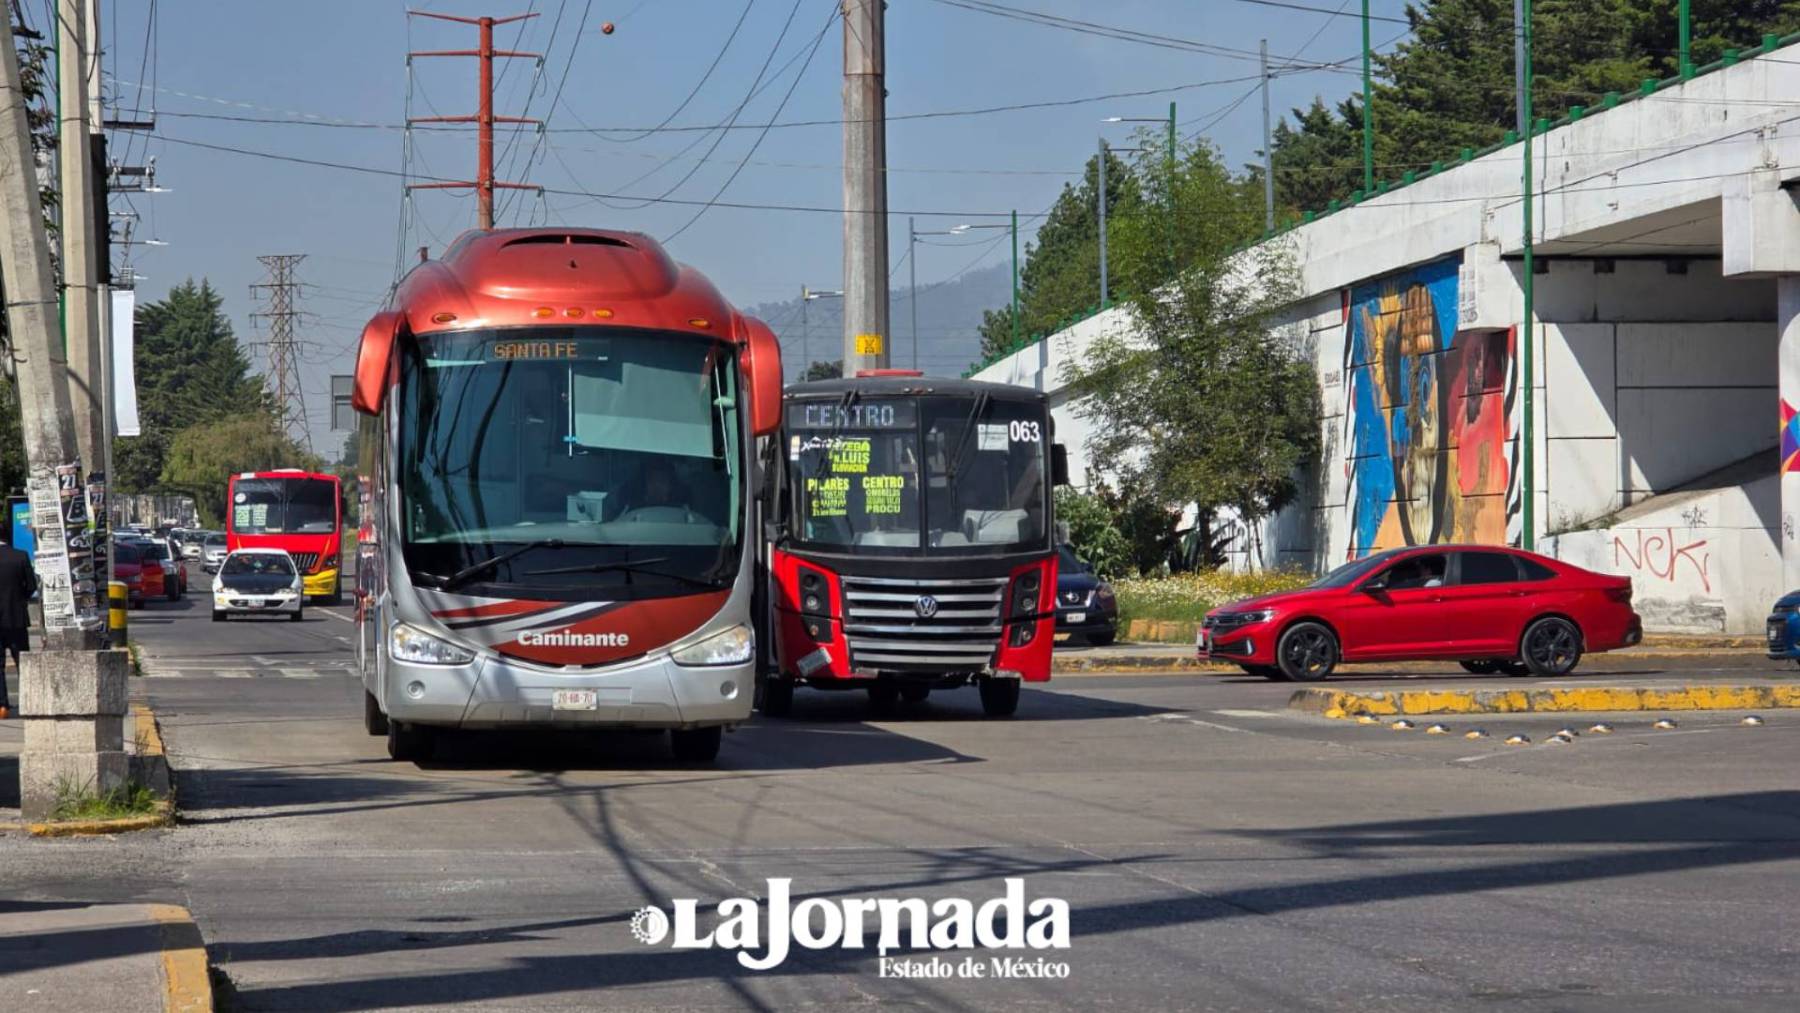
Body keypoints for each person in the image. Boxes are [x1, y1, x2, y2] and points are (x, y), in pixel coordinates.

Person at [0, 539, 37, 718]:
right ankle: (29, 702)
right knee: (23, 661)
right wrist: (19, 600)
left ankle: (2, 706)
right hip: (17, 618)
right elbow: (31, 586)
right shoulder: (20, 556)